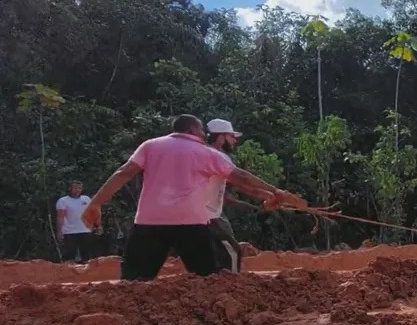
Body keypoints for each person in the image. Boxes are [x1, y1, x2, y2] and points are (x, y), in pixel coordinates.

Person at [81, 114, 305, 281]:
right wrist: (276, 191)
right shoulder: (207, 153)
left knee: (134, 280)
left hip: (150, 220)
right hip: (192, 221)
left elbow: (124, 173)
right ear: (194, 130)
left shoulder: (150, 146)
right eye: (200, 130)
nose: (203, 134)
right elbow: (241, 177)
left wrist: (96, 203)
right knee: (205, 278)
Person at [205, 118, 272, 273]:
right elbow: (242, 177)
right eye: (231, 136)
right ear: (220, 137)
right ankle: (231, 283)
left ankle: (214, 282)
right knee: (232, 252)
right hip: (208, 213)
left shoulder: (207, 154)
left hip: (209, 212)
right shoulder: (216, 156)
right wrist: (275, 191)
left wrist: (264, 195)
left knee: (215, 253)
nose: (235, 140)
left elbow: (237, 185)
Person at [56, 180, 100, 263]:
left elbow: (93, 212)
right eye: (75, 188)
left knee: (86, 256)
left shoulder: (86, 199)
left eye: (79, 188)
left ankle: (86, 270)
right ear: (70, 188)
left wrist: (97, 225)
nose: (77, 190)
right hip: (69, 232)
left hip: (85, 230)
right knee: (69, 256)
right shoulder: (63, 201)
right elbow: (61, 217)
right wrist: (59, 231)